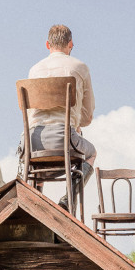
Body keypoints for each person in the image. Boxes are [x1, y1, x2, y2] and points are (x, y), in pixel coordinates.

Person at [24, 24, 97, 202]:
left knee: (37, 169)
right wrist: (77, 126)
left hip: (32, 142)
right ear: (70, 44)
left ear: (47, 45)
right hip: (64, 139)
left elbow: (29, 114)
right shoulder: (80, 67)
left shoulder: (34, 70)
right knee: (91, 153)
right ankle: (68, 199)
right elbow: (87, 114)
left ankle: (36, 201)